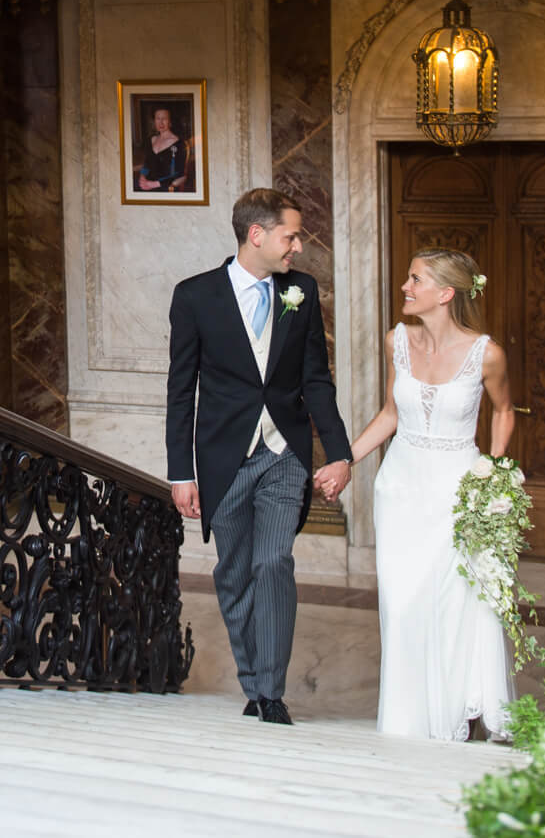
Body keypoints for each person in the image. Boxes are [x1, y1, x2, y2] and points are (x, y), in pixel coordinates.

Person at [167, 187, 353, 725]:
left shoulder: (302, 291)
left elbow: (317, 381)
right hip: (225, 458)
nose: (297, 246)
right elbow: (182, 391)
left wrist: (338, 454)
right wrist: (182, 472)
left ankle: (269, 692)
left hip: (284, 455)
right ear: (257, 235)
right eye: (290, 235)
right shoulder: (195, 296)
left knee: (273, 562)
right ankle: (255, 680)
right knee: (233, 572)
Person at [337, 247, 518, 742]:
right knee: (402, 602)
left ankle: (459, 711)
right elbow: (391, 414)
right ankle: (407, 721)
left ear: (445, 293)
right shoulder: (397, 340)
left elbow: (504, 411)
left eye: (415, 279)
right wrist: (344, 461)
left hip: (457, 488)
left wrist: (496, 473)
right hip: (399, 487)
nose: (405, 287)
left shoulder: (488, 352)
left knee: (457, 603)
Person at [136, 106, 191, 192]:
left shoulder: (179, 144)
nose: (161, 122)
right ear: (154, 121)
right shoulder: (151, 140)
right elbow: (146, 164)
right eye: (158, 118)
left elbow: (179, 174)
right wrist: (142, 178)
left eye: (164, 118)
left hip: (165, 186)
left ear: (170, 121)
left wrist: (154, 184)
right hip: (146, 184)